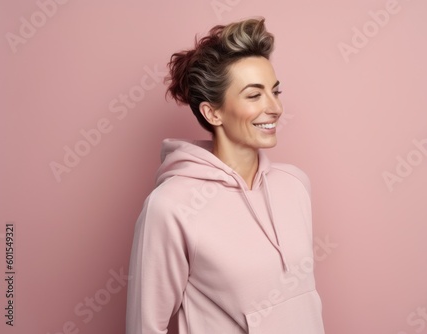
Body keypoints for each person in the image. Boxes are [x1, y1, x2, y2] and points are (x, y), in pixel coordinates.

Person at [126, 17, 325, 334]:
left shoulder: (295, 184)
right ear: (212, 112)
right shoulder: (170, 206)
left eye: (275, 91)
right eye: (254, 95)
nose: (274, 107)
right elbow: (146, 327)